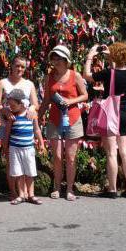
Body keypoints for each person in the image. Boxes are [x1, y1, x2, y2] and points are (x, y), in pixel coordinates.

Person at [84, 42, 126, 198]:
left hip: (110, 115)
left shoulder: (108, 73)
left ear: (114, 56)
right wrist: (111, 57)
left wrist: (89, 57)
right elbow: (117, 71)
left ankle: (112, 189)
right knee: (125, 152)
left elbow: (87, 76)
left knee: (112, 153)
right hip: (125, 114)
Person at [37, 45, 88, 201]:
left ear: (67, 60)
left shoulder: (75, 75)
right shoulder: (49, 77)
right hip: (54, 119)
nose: (56, 61)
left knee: (71, 157)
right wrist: (38, 116)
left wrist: (70, 101)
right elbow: (46, 100)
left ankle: (70, 189)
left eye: (59, 58)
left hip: (72, 119)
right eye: (54, 58)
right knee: (57, 156)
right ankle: (57, 187)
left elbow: (85, 95)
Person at [0, 56, 39, 201]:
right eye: (17, 66)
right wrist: (4, 110)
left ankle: (26, 193)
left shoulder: (29, 84)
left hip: (24, 128)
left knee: (26, 160)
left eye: (23, 67)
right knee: (12, 161)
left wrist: (32, 108)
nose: (20, 69)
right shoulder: (3, 83)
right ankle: (14, 192)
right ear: (11, 66)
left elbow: (35, 104)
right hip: (7, 126)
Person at [3, 88, 45, 205]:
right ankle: (21, 195)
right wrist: (5, 147)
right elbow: (7, 133)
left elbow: (37, 130)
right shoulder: (12, 117)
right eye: (9, 105)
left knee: (30, 172)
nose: (10, 107)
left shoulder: (31, 115)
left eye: (12, 105)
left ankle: (31, 195)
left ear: (21, 103)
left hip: (28, 148)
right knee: (19, 172)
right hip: (14, 149)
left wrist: (41, 143)